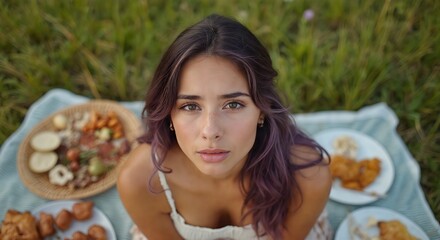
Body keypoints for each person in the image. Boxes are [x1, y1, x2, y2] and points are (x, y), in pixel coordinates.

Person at [117, 14, 332, 240]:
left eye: (233, 104)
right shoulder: (140, 180)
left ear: (262, 109)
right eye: (190, 106)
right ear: (169, 113)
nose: (210, 131)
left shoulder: (307, 178)